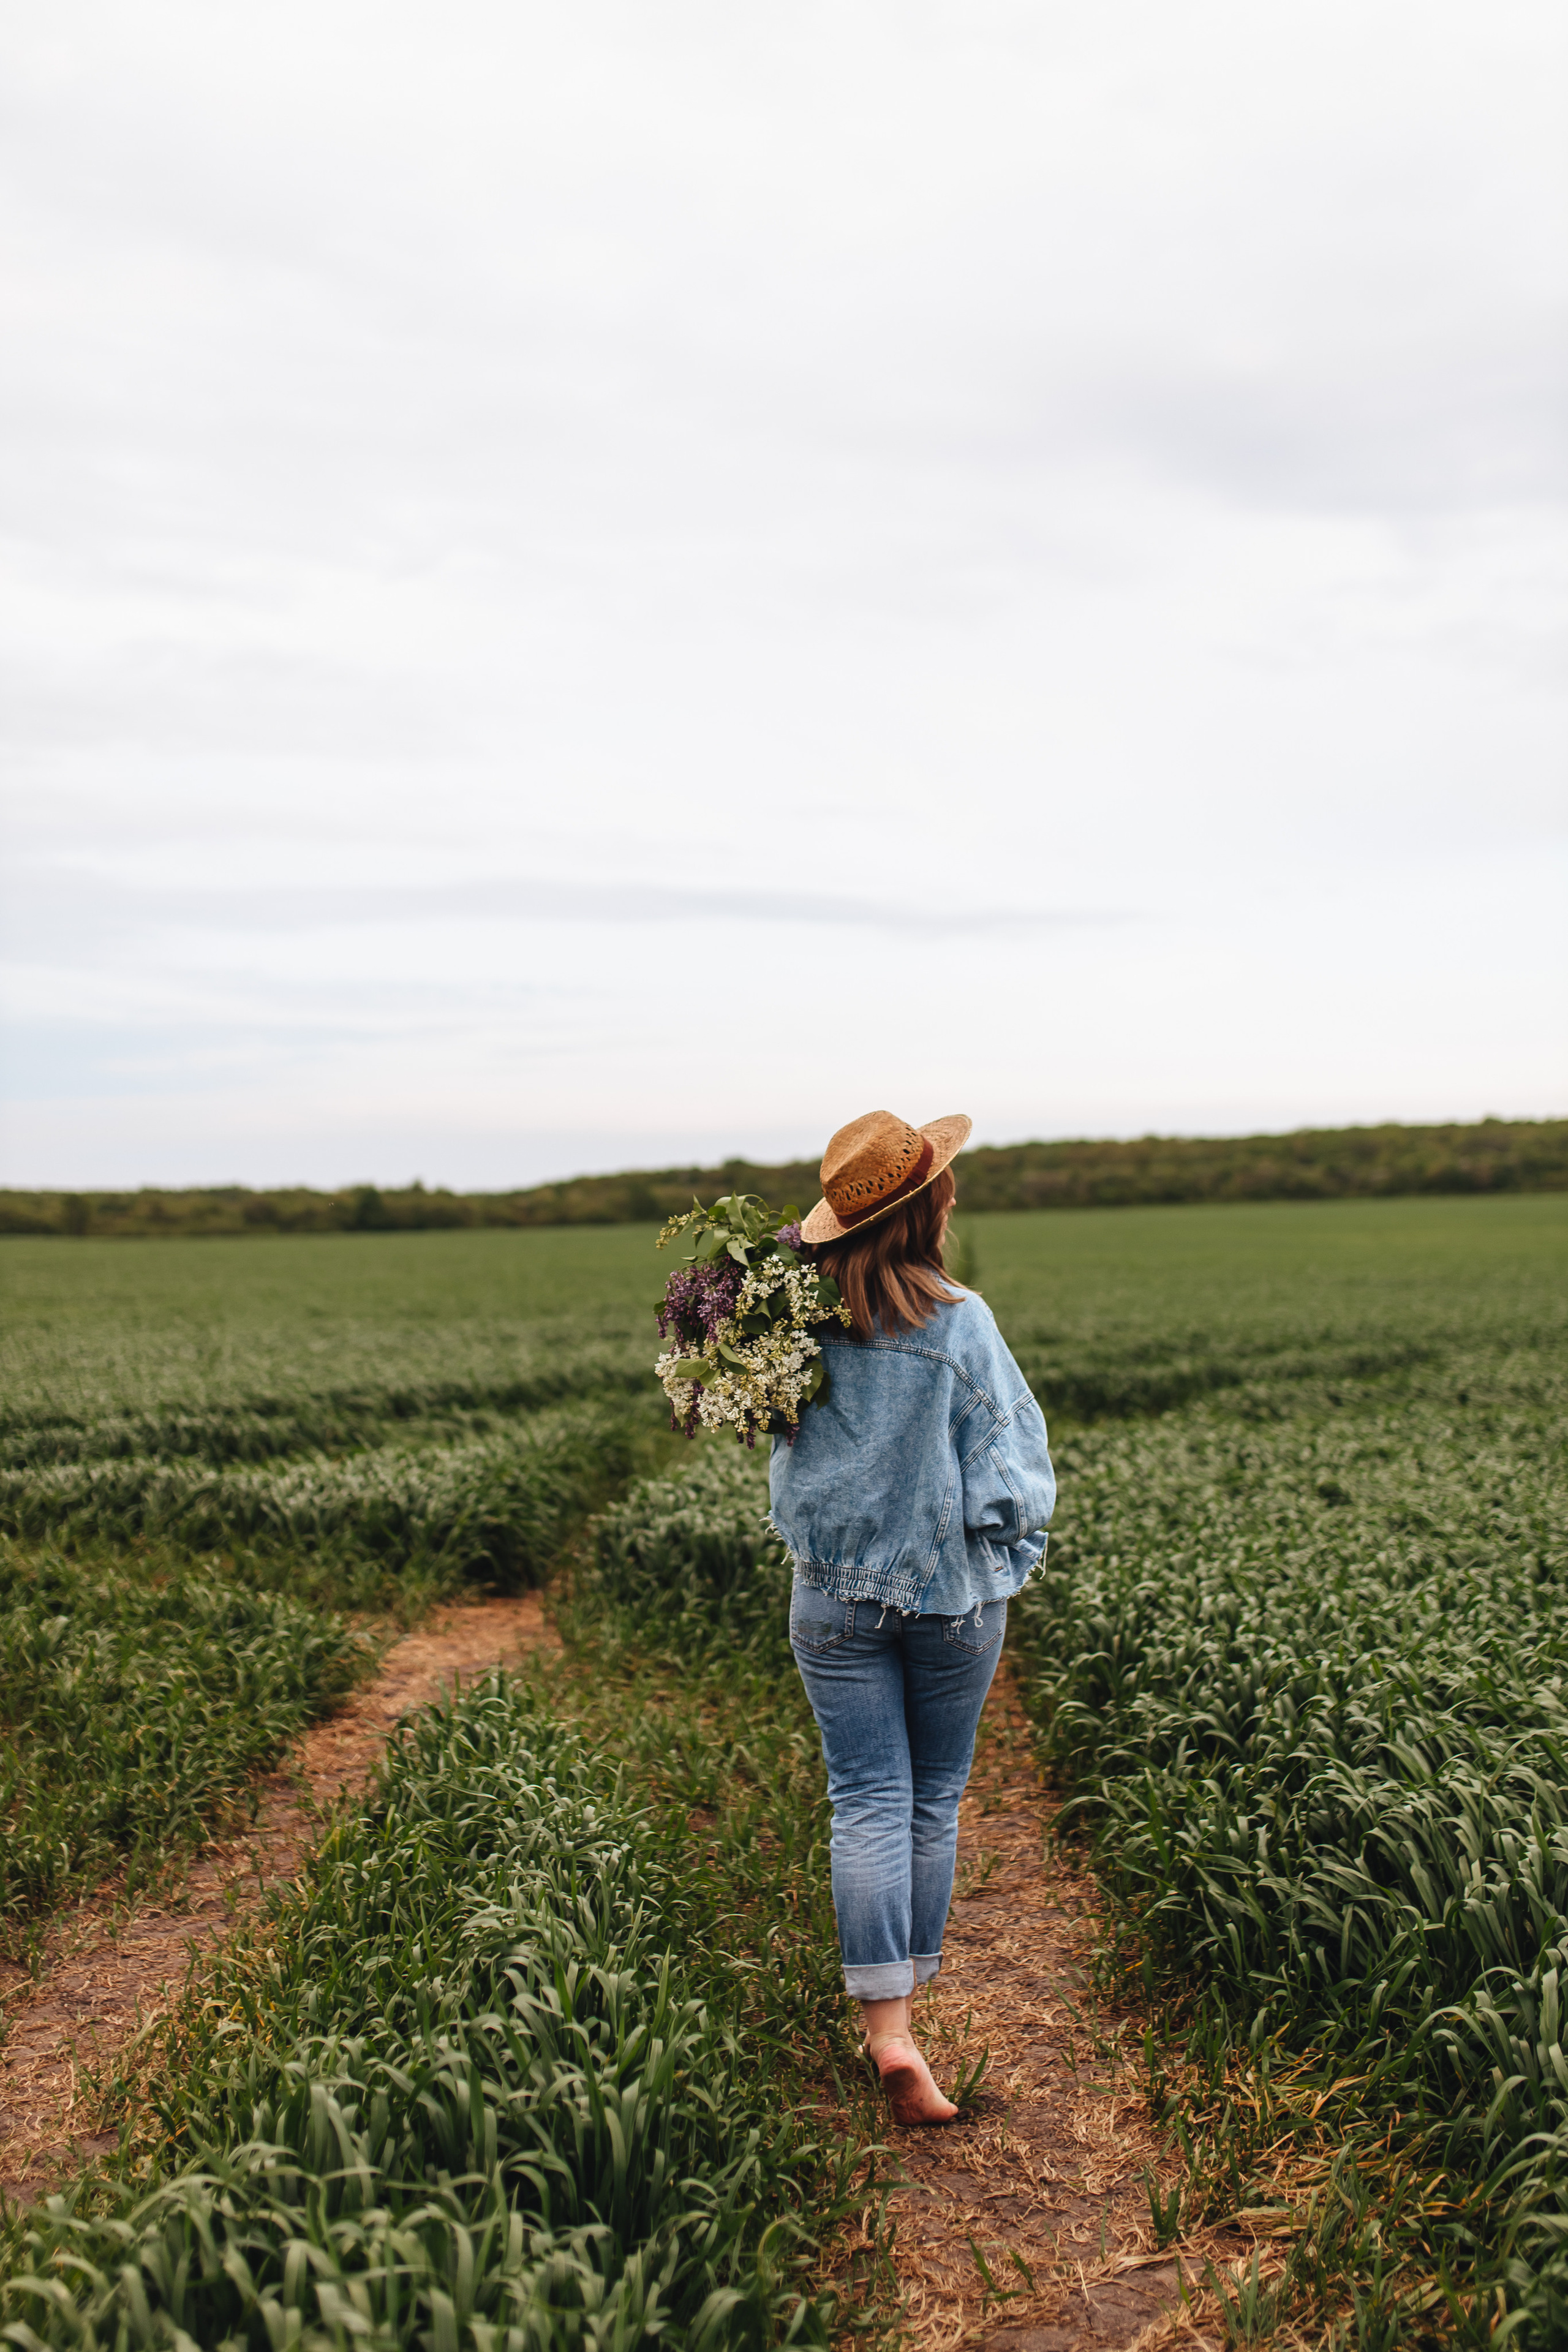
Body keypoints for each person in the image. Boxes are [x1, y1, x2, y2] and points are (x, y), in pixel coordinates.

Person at [770, 1109, 1055, 2125]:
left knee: (866, 1800)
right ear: (932, 1204)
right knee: (932, 1796)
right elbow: (1014, 1477)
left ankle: (886, 2030)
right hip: (952, 1598)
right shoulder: (959, 1319)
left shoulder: (790, 1327)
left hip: (833, 1597)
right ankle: (908, 2019)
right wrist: (1008, 1550)